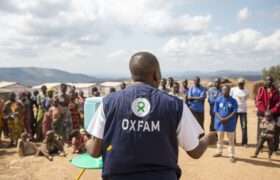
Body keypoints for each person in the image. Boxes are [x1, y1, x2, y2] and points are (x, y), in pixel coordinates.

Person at [86, 52, 217, 180]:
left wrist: (85, 142)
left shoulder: (108, 103)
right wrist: (208, 139)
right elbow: (195, 152)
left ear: (133, 75)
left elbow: (94, 151)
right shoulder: (175, 105)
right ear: (155, 74)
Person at [213, 85, 238, 163]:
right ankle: (219, 152)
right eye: (223, 90)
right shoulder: (218, 99)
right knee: (220, 138)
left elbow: (234, 111)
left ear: (229, 91)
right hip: (220, 123)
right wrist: (221, 118)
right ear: (221, 91)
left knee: (231, 140)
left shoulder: (233, 100)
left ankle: (231, 155)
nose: (225, 91)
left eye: (226, 90)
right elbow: (215, 111)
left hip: (230, 123)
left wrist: (226, 118)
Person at [255, 76, 280, 150]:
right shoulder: (261, 89)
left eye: (270, 80)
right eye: (267, 80)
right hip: (262, 114)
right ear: (265, 81)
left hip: (273, 115)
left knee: (274, 131)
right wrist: (265, 111)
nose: (269, 82)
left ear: (272, 82)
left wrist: (271, 111)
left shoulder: (276, 91)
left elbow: (278, 103)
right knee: (261, 131)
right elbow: (258, 101)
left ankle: (274, 148)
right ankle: (259, 147)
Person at [230, 78, 249, 146]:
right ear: (237, 83)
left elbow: (246, 99)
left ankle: (244, 142)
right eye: (239, 83)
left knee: (244, 126)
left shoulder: (247, 91)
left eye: (242, 83)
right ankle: (233, 141)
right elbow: (230, 98)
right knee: (233, 126)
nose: (240, 85)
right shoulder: (233, 89)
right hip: (234, 111)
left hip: (243, 111)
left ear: (244, 83)